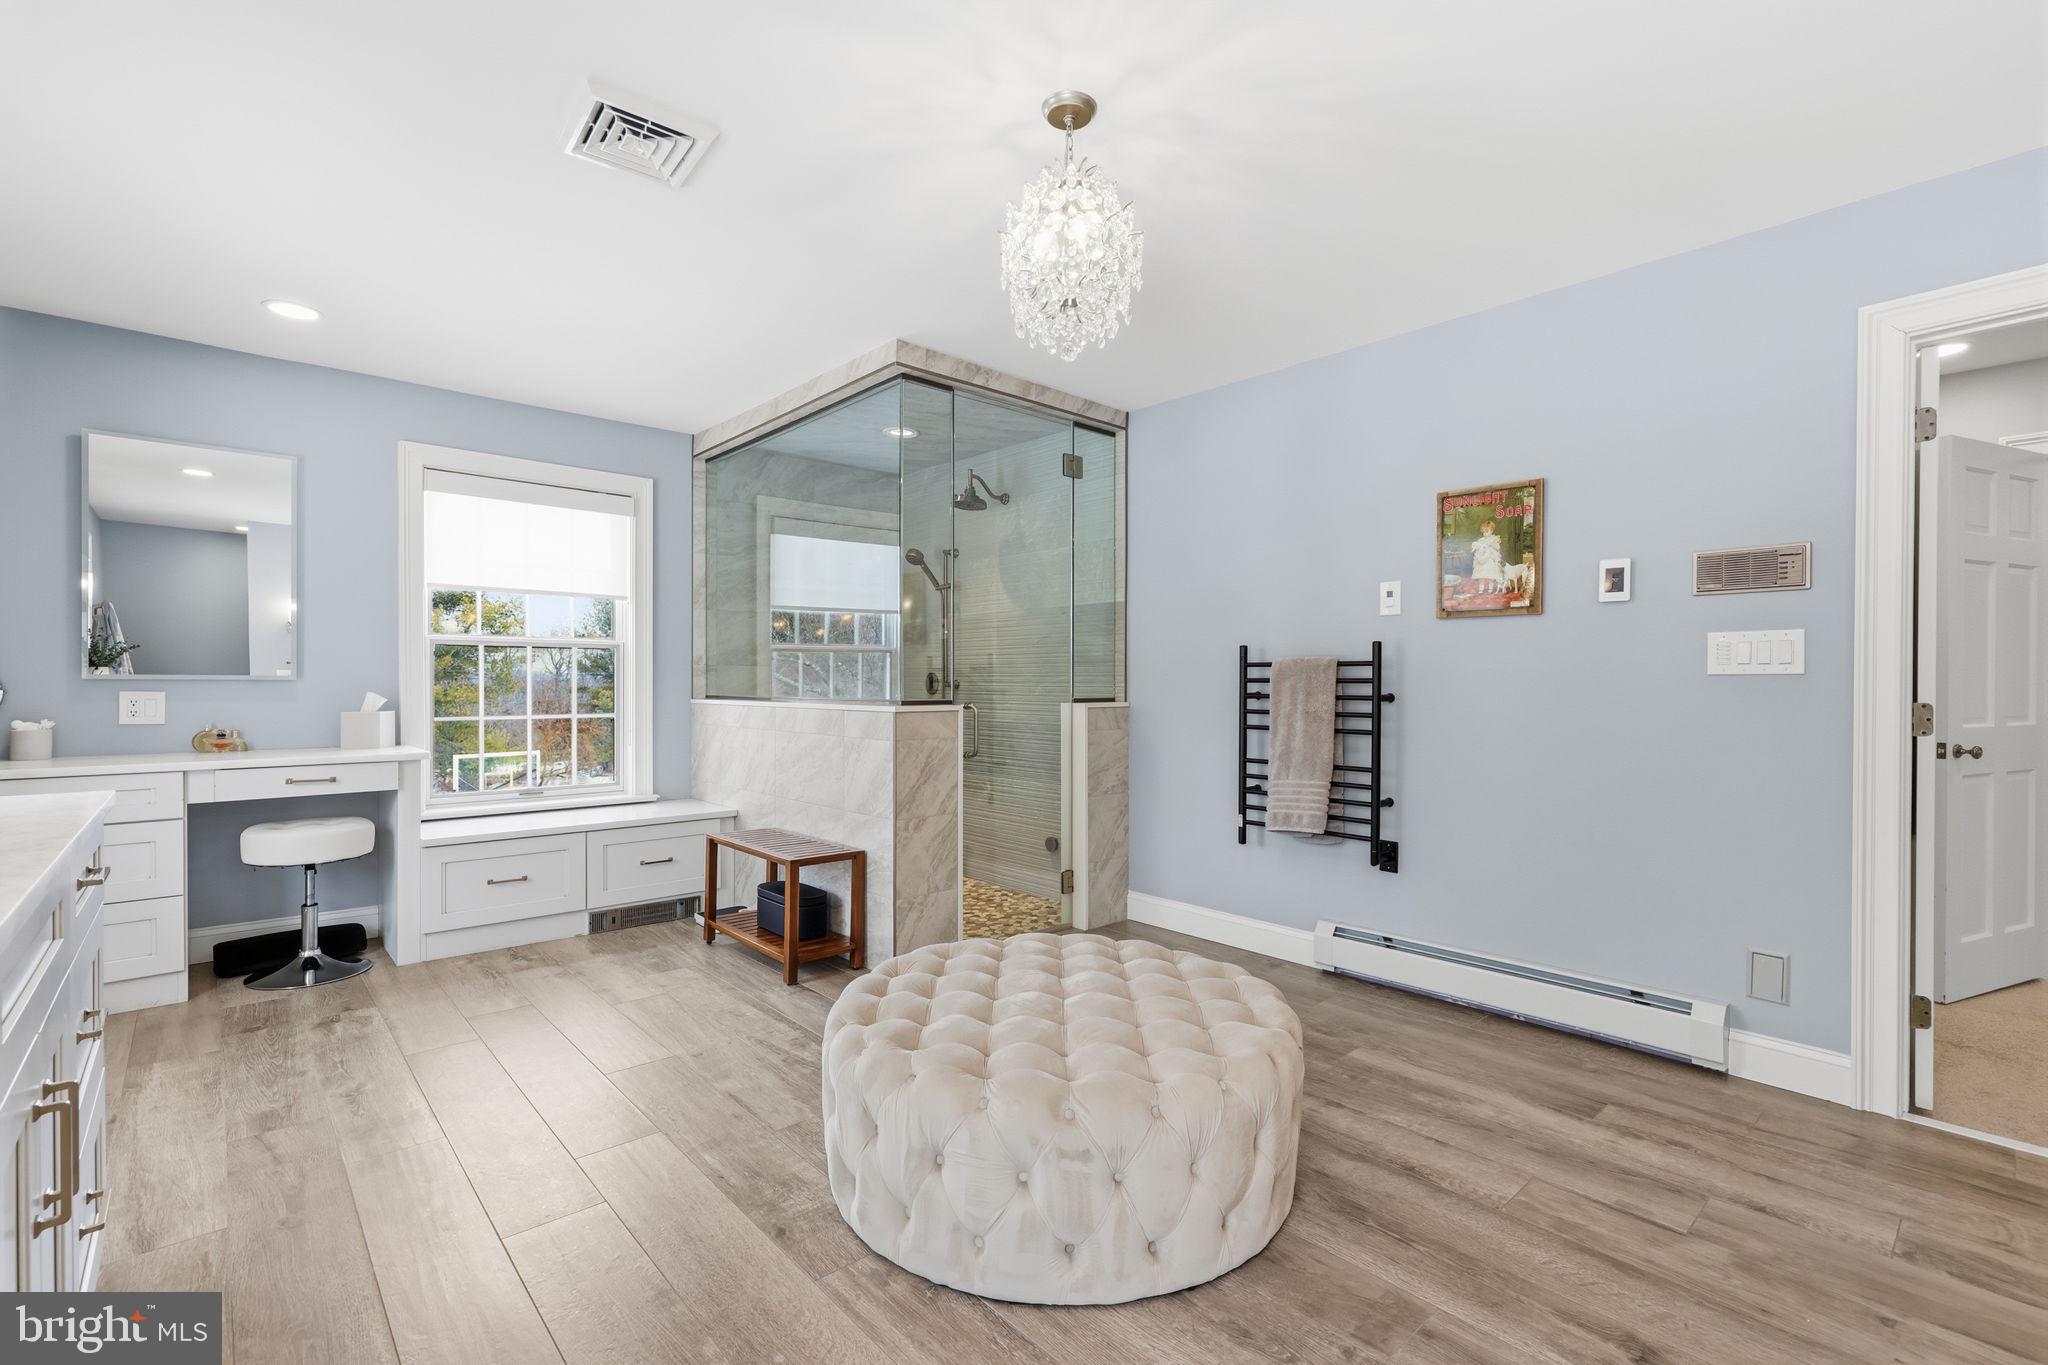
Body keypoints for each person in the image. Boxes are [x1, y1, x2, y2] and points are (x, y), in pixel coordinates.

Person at [1468, 518, 1506, 594]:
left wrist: (1491, 545)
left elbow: (1497, 548)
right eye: (1483, 532)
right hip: (1482, 559)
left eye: (1487, 531)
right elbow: (1477, 547)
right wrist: (1478, 547)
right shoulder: (1481, 540)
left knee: (1490, 575)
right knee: (1482, 575)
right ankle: (1481, 588)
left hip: (1490, 559)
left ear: (1492, 531)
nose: (1485, 533)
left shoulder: (1494, 539)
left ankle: (1490, 588)